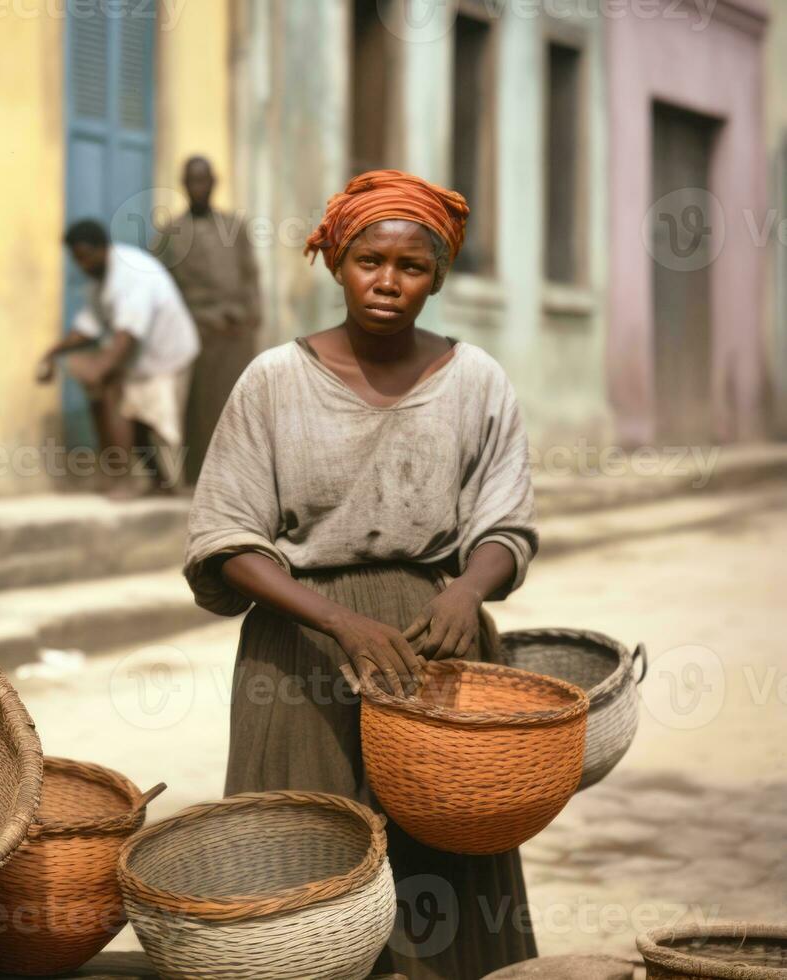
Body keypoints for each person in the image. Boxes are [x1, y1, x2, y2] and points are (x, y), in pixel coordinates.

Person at [183, 169, 540, 978]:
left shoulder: (475, 379)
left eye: (411, 268)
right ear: (336, 263)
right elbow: (225, 535)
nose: (387, 283)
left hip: (435, 643)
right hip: (305, 648)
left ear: (436, 277)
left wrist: (465, 589)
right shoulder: (274, 380)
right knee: (304, 864)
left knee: (444, 853)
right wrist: (336, 620)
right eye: (368, 262)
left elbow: (505, 521)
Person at [36, 220, 200, 498]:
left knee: (155, 425)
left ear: (102, 249)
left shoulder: (132, 274)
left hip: (168, 358)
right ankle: (129, 478)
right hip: (141, 362)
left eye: (86, 257)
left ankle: (141, 482)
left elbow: (127, 335)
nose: (83, 265)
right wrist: (53, 353)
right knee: (117, 400)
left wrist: (99, 369)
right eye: (78, 260)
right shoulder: (99, 280)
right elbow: (89, 327)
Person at [152, 156, 262, 485]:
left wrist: (250, 317)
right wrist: (199, 316)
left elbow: (250, 276)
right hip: (196, 332)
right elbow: (163, 289)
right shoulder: (170, 233)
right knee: (200, 409)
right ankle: (199, 479)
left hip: (236, 332)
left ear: (214, 182)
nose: (199, 187)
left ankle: (241, 479)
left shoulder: (234, 227)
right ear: (184, 185)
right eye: (192, 181)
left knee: (239, 404)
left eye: (204, 180)